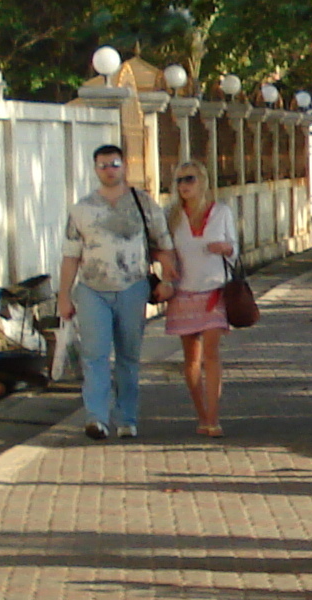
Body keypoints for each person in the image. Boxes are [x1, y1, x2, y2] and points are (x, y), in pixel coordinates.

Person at [57, 143, 175, 441]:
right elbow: (71, 255)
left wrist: (167, 280)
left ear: (124, 166)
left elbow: (163, 246)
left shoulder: (144, 204)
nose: (109, 170)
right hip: (92, 289)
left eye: (114, 164)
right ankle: (96, 417)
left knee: (128, 356)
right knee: (94, 355)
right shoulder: (82, 209)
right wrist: (63, 295)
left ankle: (127, 418)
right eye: (103, 165)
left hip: (132, 287)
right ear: (95, 170)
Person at [164, 163, 239, 439]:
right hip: (184, 293)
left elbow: (234, 246)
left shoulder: (221, 212)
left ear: (202, 181)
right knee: (191, 360)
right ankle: (201, 414)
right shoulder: (172, 216)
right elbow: (165, 250)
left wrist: (225, 248)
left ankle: (213, 416)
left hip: (214, 291)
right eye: (179, 180)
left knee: (211, 353)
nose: (184, 185)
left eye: (190, 179)